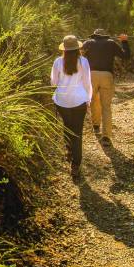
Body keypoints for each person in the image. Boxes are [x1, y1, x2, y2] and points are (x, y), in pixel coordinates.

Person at [51, 35, 92, 180]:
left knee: (67, 126)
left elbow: (53, 82)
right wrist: (89, 98)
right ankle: (75, 165)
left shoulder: (57, 62)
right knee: (78, 133)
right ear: (77, 48)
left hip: (62, 100)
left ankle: (69, 150)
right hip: (79, 100)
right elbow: (87, 82)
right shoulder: (84, 62)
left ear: (65, 48)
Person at [81, 28, 131, 145]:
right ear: (105, 36)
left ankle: (96, 124)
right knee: (106, 106)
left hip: (91, 75)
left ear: (95, 35)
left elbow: (79, 57)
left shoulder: (88, 43)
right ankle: (106, 137)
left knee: (94, 100)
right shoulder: (111, 43)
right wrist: (124, 41)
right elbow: (126, 56)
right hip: (106, 75)